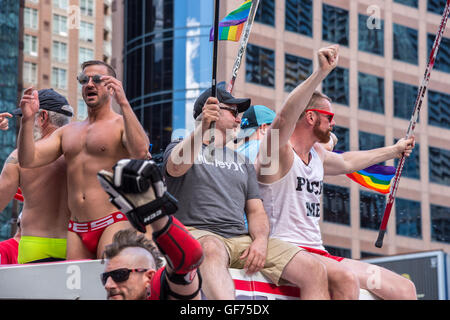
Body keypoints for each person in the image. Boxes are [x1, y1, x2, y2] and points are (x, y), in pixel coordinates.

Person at [256, 45, 417, 300]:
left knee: (405, 290)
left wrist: (394, 150)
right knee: (344, 277)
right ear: (310, 117)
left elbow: (348, 162)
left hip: (319, 253)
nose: (334, 122)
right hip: (286, 251)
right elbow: (283, 121)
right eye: (329, 116)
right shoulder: (277, 153)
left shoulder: (317, 156)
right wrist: (320, 73)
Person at [163, 83, 331, 300]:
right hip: (197, 233)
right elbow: (175, 167)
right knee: (212, 249)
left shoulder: (242, 161)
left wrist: (260, 240)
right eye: (233, 111)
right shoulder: (178, 146)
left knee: (314, 269)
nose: (238, 119)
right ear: (209, 110)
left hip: (240, 239)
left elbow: (255, 211)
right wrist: (203, 127)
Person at [17, 60, 150, 260]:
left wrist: (124, 103)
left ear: (111, 87)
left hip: (113, 221)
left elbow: (140, 151)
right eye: (83, 79)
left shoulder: (121, 124)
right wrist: (27, 121)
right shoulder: (68, 132)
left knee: (107, 283)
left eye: (97, 79)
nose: (89, 84)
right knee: (78, 290)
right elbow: (28, 159)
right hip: (77, 228)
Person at [98, 159, 203, 300]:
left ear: (149, 277)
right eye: (105, 277)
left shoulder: (160, 292)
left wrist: (155, 213)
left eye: (120, 275)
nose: (108, 285)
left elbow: (188, 259)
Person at [0, 89, 72, 263]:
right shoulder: (79, 155)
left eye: (26, 118)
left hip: (35, 245)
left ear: (42, 117)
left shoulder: (17, 158)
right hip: (75, 246)